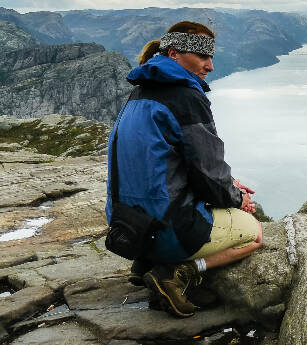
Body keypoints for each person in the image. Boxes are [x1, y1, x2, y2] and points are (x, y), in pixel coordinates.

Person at [105, 21, 263, 318]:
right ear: (175, 53)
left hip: (126, 226)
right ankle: (176, 271)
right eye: (203, 56)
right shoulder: (186, 98)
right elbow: (208, 173)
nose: (210, 65)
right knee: (253, 233)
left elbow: (169, 167)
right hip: (167, 231)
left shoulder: (140, 94)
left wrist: (228, 184)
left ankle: (145, 263)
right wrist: (236, 197)